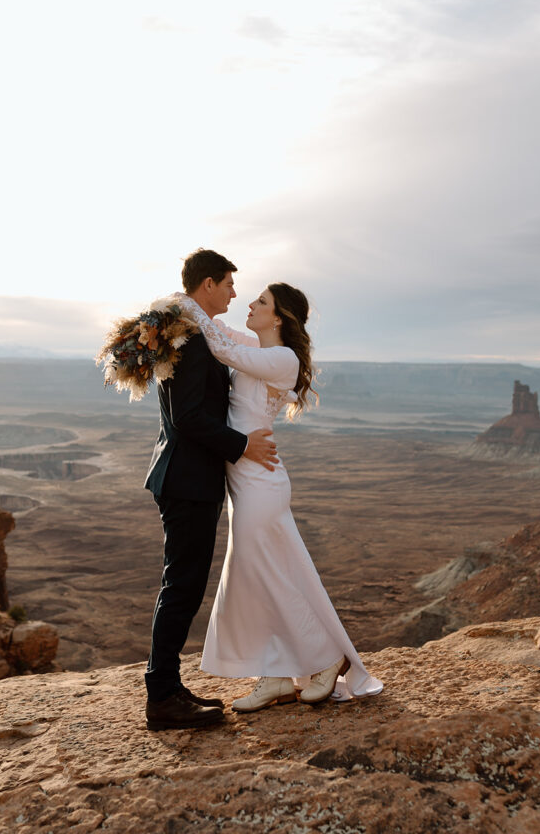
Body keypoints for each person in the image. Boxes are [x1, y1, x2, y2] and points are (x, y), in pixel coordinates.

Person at [177, 282, 383, 712]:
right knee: (256, 575)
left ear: (279, 318)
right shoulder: (257, 346)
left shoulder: (281, 358)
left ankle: (327, 657)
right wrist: (187, 311)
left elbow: (220, 346)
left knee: (261, 572)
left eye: (261, 302)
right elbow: (221, 333)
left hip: (262, 483)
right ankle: (273, 677)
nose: (249, 304)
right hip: (245, 478)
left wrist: (181, 304)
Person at [144, 249, 279, 731]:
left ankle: (169, 687)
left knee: (183, 585)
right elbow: (188, 417)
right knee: (181, 587)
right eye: (227, 284)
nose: (234, 293)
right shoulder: (194, 339)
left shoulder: (192, 330)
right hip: (187, 480)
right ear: (206, 286)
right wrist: (243, 445)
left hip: (187, 478)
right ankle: (160, 698)